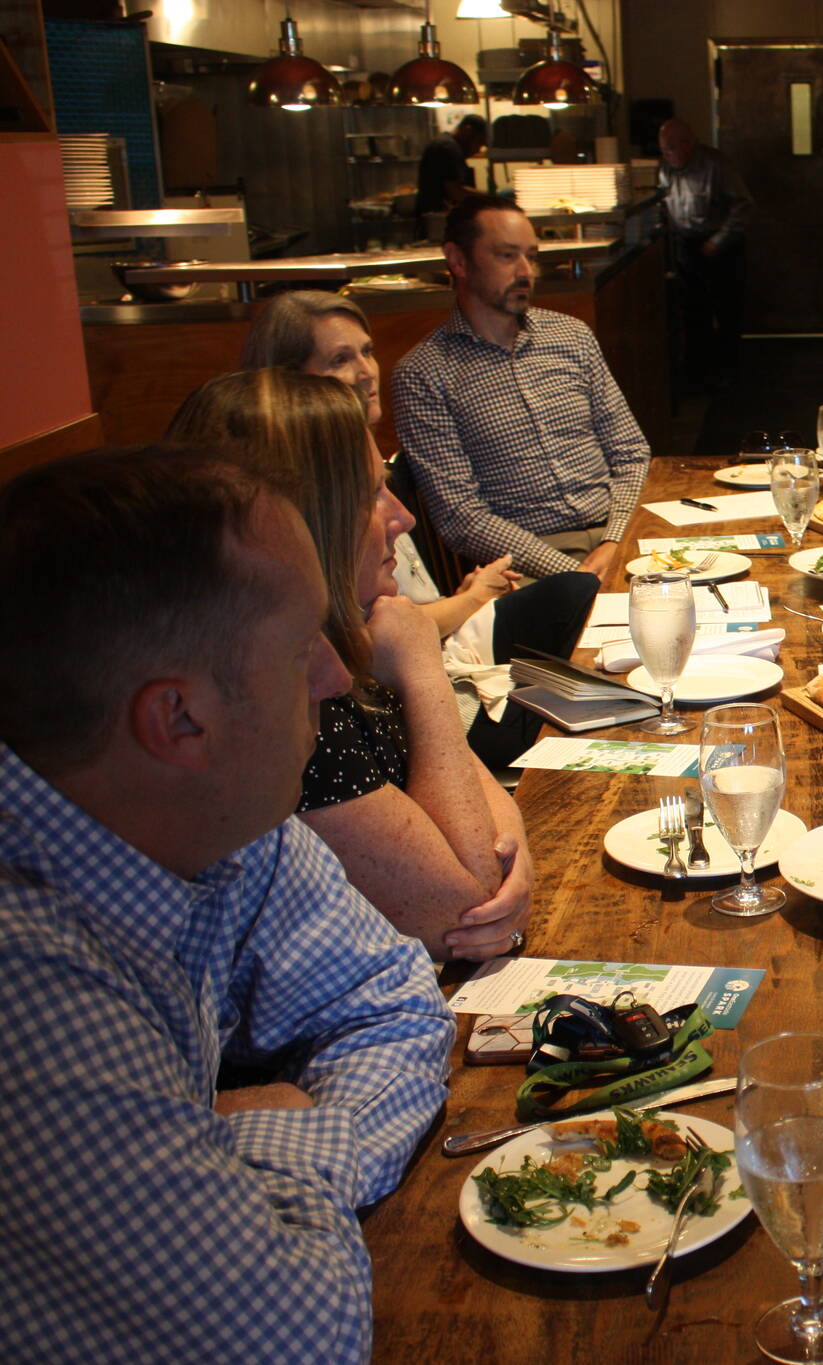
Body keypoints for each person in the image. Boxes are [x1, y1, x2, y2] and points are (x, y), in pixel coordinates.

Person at [0, 446, 453, 1360]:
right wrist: (276, 1141)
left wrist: (234, 1144)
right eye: (298, 649)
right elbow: (300, 1335)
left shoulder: (216, 814)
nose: (334, 673)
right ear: (180, 720)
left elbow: (396, 1003)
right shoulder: (27, 985)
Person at [170, 368, 533, 963]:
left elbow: (481, 795)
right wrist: (422, 671)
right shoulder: (289, 698)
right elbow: (462, 910)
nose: (403, 517)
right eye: (371, 495)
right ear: (309, 519)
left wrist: (516, 863)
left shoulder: (348, 635)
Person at [241, 290, 599, 768]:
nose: (366, 371)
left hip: (437, 649)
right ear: (290, 384)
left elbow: (398, 602)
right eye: (340, 359)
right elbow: (376, 628)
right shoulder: (309, 493)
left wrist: (460, 597)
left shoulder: (367, 454)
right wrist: (470, 600)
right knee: (591, 705)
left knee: (577, 595)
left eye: (366, 351)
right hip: (418, 687)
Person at [391, 195, 650, 580]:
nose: (526, 271)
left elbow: (631, 452)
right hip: (530, 560)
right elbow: (461, 516)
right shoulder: (424, 373)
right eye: (507, 256)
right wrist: (575, 573)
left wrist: (615, 541)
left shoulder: (570, 335)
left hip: (621, 528)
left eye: (532, 256)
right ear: (458, 261)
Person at [658, 116, 753, 393]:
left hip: (722, 245)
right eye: (663, 149)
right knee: (692, 313)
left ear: (688, 144)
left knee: (727, 312)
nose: (667, 155)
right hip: (686, 246)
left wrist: (718, 241)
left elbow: (744, 206)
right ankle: (698, 378)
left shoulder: (715, 164)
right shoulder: (665, 168)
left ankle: (729, 375)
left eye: (672, 148)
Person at [416, 112, 486, 218]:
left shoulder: (444, 142)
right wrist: (490, 200)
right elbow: (456, 192)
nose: (478, 150)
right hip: (436, 219)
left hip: (431, 217)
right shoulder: (449, 148)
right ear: (468, 130)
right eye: (479, 142)